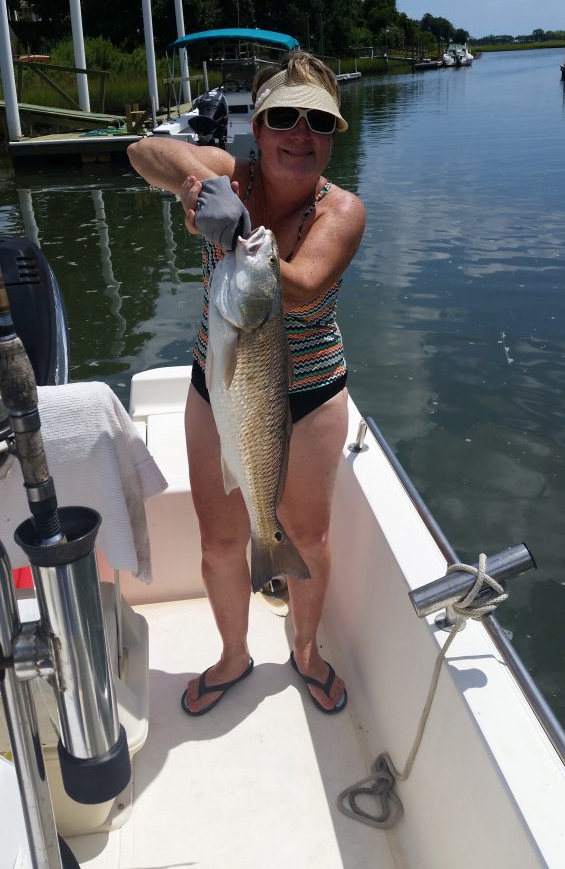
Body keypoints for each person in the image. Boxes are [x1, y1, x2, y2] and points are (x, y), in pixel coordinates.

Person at [128, 52, 365, 714]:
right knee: (220, 540)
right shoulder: (232, 176)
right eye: (284, 116)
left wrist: (240, 229)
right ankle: (234, 655)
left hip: (311, 396)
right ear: (256, 129)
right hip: (221, 382)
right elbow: (143, 152)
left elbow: (305, 284)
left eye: (318, 122)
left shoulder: (341, 212)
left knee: (308, 538)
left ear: (333, 137)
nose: (301, 133)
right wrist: (195, 187)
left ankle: (307, 650)